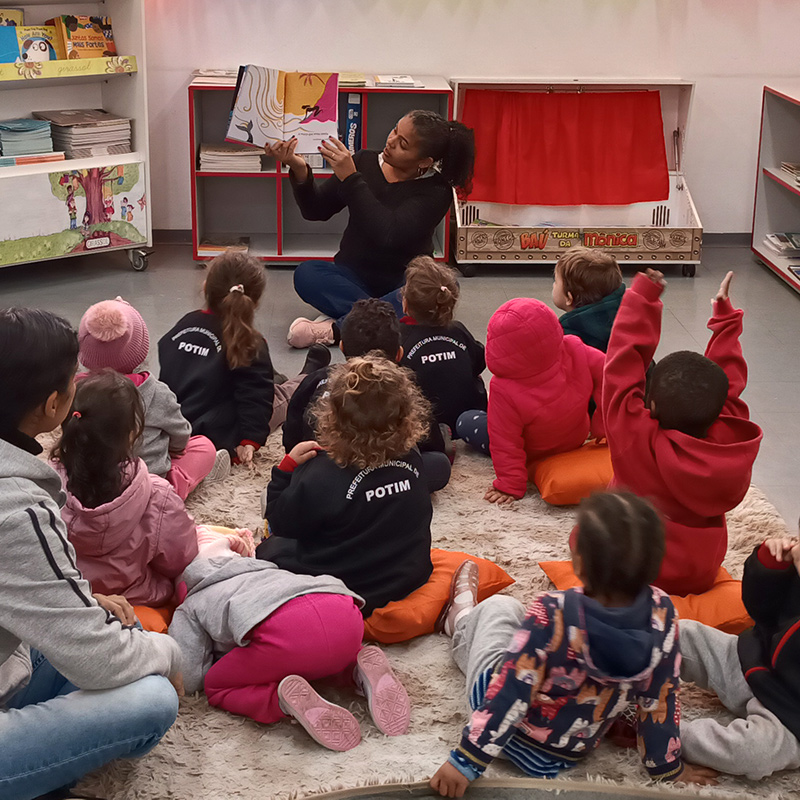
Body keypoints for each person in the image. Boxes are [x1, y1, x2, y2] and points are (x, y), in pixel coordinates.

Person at [0, 308, 182, 800]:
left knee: (113, 625)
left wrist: (81, 605)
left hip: (9, 660)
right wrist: (169, 654)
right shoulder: (17, 510)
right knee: (152, 695)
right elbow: (98, 662)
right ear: (54, 404)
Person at [429, 491, 718, 797]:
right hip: (569, 749)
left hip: (510, 738)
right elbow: (660, 700)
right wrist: (667, 768)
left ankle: (459, 622)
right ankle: (466, 629)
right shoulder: (663, 614)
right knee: (513, 633)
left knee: (501, 609)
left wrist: (467, 760)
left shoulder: (551, 611)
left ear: (578, 562)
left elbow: (510, 691)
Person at [169, 530, 410, 751]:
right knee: (321, 651)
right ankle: (356, 671)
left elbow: (188, 676)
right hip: (342, 609)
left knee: (217, 684)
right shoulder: (270, 570)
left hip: (285, 636)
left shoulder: (193, 601)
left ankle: (280, 701)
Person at [600, 269, 763, 595]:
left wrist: (643, 299)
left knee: (591, 528)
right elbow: (728, 384)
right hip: (698, 572)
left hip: (632, 570)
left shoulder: (636, 436)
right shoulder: (728, 441)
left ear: (653, 407)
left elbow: (620, 364)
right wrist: (725, 320)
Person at [265, 110, 475, 348]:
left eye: (403, 144)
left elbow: (388, 234)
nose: (391, 141)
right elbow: (316, 210)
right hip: (352, 274)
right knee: (307, 274)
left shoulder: (437, 191)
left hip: (402, 281)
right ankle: (385, 321)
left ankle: (337, 329)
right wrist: (298, 167)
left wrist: (352, 179)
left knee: (439, 289)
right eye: (395, 130)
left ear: (424, 161)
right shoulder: (365, 161)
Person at [258, 355, 434, 617]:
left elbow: (280, 521)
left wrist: (284, 472)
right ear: (406, 417)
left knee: (269, 549)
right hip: (406, 575)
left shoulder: (318, 473)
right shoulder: (414, 459)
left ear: (332, 418)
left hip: (342, 584)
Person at [158, 251, 330, 464]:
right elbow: (256, 397)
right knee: (281, 398)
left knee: (250, 375)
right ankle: (307, 376)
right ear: (254, 301)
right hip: (221, 432)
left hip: (176, 426)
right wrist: (250, 439)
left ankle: (276, 375)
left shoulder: (183, 324)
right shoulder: (252, 343)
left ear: (205, 288)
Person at [52, 370, 199, 608]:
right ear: (131, 435)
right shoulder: (158, 497)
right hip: (137, 603)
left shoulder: (43, 487)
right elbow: (181, 559)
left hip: (68, 598)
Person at [283, 297, 451, 492]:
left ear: (343, 347)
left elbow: (292, 434)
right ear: (399, 354)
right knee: (439, 464)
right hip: (389, 479)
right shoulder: (405, 387)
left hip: (326, 476)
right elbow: (431, 443)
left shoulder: (318, 379)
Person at [457, 297, 604, 504]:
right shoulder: (574, 348)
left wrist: (511, 484)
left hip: (532, 451)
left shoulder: (503, 387)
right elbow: (610, 375)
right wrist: (602, 422)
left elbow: (504, 440)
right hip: (576, 437)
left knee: (466, 420)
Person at [78, 296, 225, 500]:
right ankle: (171, 490)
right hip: (150, 480)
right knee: (203, 446)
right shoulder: (156, 391)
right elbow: (181, 433)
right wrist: (174, 449)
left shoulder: (76, 391)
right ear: (139, 349)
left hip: (93, 480)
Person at [678, 533, 800, 779]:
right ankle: (610, 655)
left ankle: (663, 733)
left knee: (751, 753)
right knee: (682, 632)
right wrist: (769, 566)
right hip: (752, 660)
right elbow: (761, 612)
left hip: (789, 717)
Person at [399, 256, 487, 432]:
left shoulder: (399, 336)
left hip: (423, 425)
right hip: (467, 416)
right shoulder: (458, 330)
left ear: (405, 304)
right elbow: (480, 362)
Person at [551, 247, 625, 352]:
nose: (554, 285)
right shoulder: (624, 319)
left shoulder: (569, 335)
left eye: (556, 281)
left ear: (569, 298)